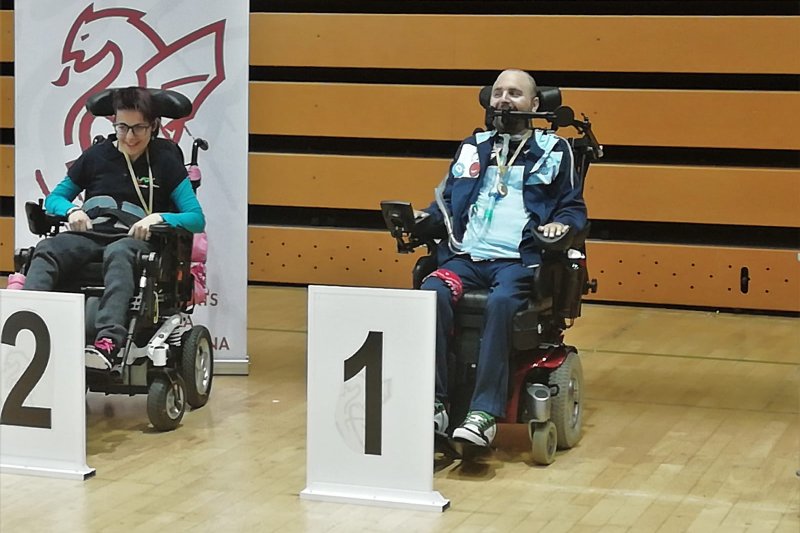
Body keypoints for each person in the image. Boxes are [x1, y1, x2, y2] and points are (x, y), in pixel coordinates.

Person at [417, 69, 587, 447]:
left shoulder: (554, 150)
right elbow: (445, 203)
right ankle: (436, 403)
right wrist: (422, 220)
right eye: (497, 93)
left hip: (517, 262)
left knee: (501, 303)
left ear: (535, 104)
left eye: (514, 92)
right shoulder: (472, 146)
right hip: (465, 258)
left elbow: (574, 209)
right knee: (432, 292)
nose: (504, 100)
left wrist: (561, 225)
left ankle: (484, 413)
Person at [23, 87, 205, 371]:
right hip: (92, 232)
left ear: (154, 125)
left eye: (139, 128)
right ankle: (28, 325)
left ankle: (108, 341)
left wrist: (158, 218)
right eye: (123, 127)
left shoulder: (167, 160)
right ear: (113, 123)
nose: (130, 136)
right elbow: (55, 199)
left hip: (133, 239)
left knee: (119, 253)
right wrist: (72, 211)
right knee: (47, 249)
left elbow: (195, 218)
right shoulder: (96, 156)